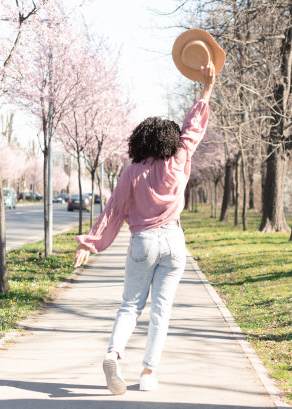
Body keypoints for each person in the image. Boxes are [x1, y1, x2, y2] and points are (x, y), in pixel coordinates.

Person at [73, 62, 216, 395]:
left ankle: (113, 353)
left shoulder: (132, 170)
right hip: (174, 242)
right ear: (169, 141)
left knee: (130, 306)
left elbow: (113, 210)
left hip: (142, 243)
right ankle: (149, 374)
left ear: (139, 141)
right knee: (161, 311)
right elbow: (193, 127)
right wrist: (207, 86)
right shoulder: (179, 158)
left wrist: (90, 243)